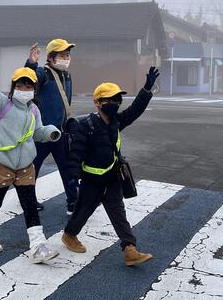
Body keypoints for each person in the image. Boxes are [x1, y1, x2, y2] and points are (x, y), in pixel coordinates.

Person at [62, 67, 160, 267]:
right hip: (91, 181)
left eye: (117, 100)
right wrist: (72, 174)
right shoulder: (86, 125)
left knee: (118, 213)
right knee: (83, 211)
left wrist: (146, 90)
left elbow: (135, 110)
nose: (114, 104)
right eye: (109, 100)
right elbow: (76, 151)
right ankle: (69, 235)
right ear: (96, 103)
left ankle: (130, 249)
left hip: (113, 177)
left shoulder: (116, 122)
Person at [0, 50, 62, 263]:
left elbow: (37, 132)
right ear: (14, 87)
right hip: (1, 162)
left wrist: (51, 132)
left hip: (25, 165)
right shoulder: (1, 104)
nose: (25, 90)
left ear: (34, 89)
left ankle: (38, 245)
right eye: (20, 86)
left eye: (29, 86)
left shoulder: (34, 111)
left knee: (30, 204)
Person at [25, 38, 77, 215]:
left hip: (61, 132)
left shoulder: (67, 75)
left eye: (68, 55)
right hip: (42, 132)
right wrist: (31, 64)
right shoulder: (43, 73)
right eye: (62, 55)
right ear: (51, 57)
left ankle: (73, 202)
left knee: (69, 168)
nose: (66, 58)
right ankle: (28, 199)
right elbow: (29, 80)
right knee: (32, 168)